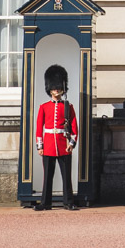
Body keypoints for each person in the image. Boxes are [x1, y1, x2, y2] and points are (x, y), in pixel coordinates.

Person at [35, 64, 79, 211]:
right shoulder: (44, 106)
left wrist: (72, 143)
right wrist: (39, 146)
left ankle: (68, 202)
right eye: (54, 87)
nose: (56, 90)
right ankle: (45, 203)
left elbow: (74, 127)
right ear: (49, 88)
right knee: (48, 176)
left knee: (66, 176)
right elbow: (39, 128)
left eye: (58, 87)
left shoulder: (68, 106)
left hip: (63, 144)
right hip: (48, 145)